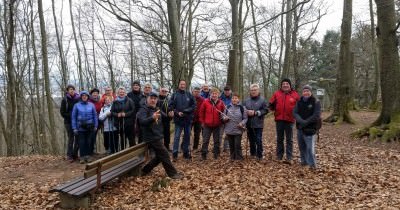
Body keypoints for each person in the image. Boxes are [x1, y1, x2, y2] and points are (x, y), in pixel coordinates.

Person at [138, 92, 183, 179]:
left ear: (157, 100)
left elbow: (166, 118)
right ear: (147, 99)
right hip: (150, 137)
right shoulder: (143, 110)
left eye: (155, 99)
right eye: (151, 98)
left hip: (158, 136)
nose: (153, 100)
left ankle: (145, 170)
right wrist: (152, 118)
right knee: (165, 154)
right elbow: (142, 122)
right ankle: (173, 174)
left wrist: (170, 116)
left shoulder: (157, 109)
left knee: (159, 157)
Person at [269, 78, 300, 164]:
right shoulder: (277, 93)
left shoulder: (295, 95)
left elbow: (299, 106)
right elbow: (271, 104)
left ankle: (289, 157)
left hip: (290, 120)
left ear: (290, 85)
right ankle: (279, 155)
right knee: (280, 138)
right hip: (279, 119)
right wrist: (271, 106)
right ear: (281, 85)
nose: (285, 85)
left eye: (287, 84)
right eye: (284, 84)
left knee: (289, 139)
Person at [293, 85, 321, 169]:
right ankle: (304, 162)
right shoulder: (299, 101)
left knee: (310, 149)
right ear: (302, 92)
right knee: (302, 147)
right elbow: (294, 112)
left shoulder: (316, 101)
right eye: (304, 91)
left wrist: (306, 122)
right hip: (300, 128)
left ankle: (312, 165)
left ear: (311, 92)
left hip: (311, 129)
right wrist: (301, 121)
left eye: (308, 91)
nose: (306, 92)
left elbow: (316, 115)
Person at [169, 80, 196, 161]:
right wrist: (177, 113)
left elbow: (194, 105)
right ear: (179, 85)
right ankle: (175, 153)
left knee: (187, 137)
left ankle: (186, 152)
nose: (182, 86)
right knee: (177, 137)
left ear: (186, 85)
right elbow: (170, 106)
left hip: (187, 120)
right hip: (178, 120)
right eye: (181, 84)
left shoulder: (189, 94)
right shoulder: (174, 95)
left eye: (184, 84)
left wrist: (186, 111)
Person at [71, 91, 98, 164]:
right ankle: (82, 157)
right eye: (83, 96)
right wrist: (74, 128)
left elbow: (95, 116)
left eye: (86, 96)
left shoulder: (91, 105)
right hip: (80, 127)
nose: (84, 97)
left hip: (90, 126)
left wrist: (96, 125)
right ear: (81, 97)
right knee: (81, 142)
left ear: (88, 97)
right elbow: (73, 117)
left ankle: (88, 156)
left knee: (89, 141)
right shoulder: (76, 105)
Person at [243, 84, 268, 160]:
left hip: (258, 124)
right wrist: (246, 112)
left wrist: (256, 113)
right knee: (251, 140)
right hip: (249, 124)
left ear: (258, 91)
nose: (253, 91)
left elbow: (266, 110)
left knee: (258, 139)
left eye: (255, 90)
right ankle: (253, 153)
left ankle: (259, 155)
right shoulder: (246, 100)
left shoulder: (262, 100)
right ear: (250, 91)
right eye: (252, 90)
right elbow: (242, 109)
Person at [199, 88, 225, 160]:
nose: (214, 95)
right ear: (210, 94)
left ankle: (216, 154)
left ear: (218, 95)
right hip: (207, 125)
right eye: (213, 93)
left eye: (216, 93)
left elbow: (224, 113)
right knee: (205, 140)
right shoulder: (205, 102)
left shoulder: (221, 103)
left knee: (217, 140)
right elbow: (201, 113)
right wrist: (202, 122)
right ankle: (204, 154)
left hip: (217, 125)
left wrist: (223, 121)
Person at [60, 84, 80, 162]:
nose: (72, 90)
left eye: (73, 89)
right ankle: (69, 155)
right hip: (68, 122)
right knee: (71, 138)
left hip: (77, 122)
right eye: (70, 89)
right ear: (67, 91)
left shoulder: (78, 99)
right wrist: (71, 115)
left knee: (78, 138)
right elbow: (62, 112)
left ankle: (75, 154)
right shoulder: (65, 100)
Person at [89, 88, 102, 155]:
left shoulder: (99, 101)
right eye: (94, 93)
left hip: (97, 122)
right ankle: (89, 151)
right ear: (91, 94)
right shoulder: (89, 101)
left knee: (94, 136)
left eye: (96, 93)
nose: (95, 94)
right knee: (90, 137)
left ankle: (92, 150)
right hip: (90, 122)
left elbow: (101, 111)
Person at [220, 85, 232, 152]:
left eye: (228, 91)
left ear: (230, 91)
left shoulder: (233, 97)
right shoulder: (220, 98)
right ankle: (217, 147)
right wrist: (222, 116)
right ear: (224, 91)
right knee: (220, 134)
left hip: (230, 118)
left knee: (228, 134)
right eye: (226, 91)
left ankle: (226, 148)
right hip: (221, 118)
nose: (227, 92)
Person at [191, 87, 204, 151]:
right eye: (195, 91)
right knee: (187, 133)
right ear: (192, 91)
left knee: (197, 134)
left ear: (200, 92)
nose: (196, 93)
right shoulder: (189, 98)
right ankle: (184, 146)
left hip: (198, 119)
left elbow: (203, 109)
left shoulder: (202, 99)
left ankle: (195, 147)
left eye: (198, 92)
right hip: (190, 119)